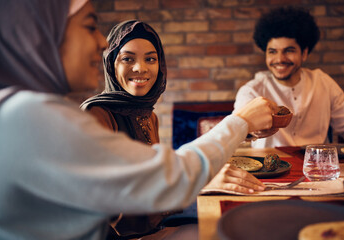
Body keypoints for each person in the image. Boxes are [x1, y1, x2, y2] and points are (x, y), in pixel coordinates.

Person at [0, 0, 275, 239]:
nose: (102, 42)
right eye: (89, 25)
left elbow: (155, 182)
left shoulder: (145, 114)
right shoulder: (33, 116)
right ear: (43, 33)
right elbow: (169, 180)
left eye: (151, 59)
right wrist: (240, 121)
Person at [81, 20, 266, 239]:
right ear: (111, 63)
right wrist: (198, 184)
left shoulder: (149, 115)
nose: (140, 68)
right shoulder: (95, 115)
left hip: (159, 225)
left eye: (150, 59)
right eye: (127, 59)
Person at [233, 6, 344, 148]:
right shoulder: (252, 91)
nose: (279, 59)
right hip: (269, 167)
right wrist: (249, 131)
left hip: (317, 166)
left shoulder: (324, 83)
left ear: (304, 53)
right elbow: (236, 131)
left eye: (289, 50)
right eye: (273, 51)